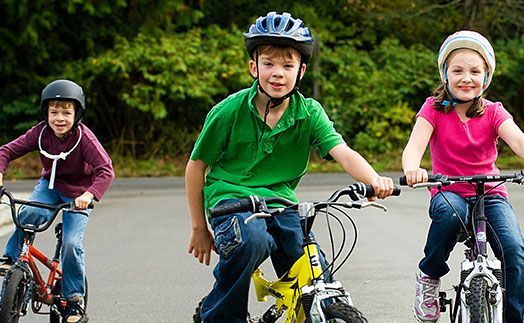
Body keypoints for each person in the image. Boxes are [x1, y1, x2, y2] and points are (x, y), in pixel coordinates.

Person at [186, 11, 395, 322]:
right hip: (231, 201)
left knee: (311, 265)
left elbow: (343, 152)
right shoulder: (228, 111)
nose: (277, 73)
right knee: (253, 240)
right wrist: (200, 229)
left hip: (282, 203)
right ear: (253, 67)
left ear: (301, 71)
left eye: (287, 65)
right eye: (268, 64)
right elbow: (196, 167)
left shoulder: (308, 112)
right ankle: (218, 314)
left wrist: (375, 179)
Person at [402, 30, 524, 322]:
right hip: (450, 191)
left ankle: (515, 316)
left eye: (474, 71)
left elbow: (519, 143)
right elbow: (413, 148)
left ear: (486, 78)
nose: (466, 78)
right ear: (445, 75)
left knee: (514, 250)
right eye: (457, 70)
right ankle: (429, 274)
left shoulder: (494, 112)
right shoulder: (433, 109)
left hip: (490, 194)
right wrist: (412, 169)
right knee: (448, 215)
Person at [0, 79, 115, 323]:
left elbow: (105, 170)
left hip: (79, 193)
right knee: (29, 213)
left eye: (66, 112)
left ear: (77, 114)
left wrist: (89, 194)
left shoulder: (85, 139)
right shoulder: (40, 133)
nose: (59, 118)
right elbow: (5, 151)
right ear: (46, 113)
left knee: (72, 243)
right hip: (50, 187)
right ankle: (11, 258)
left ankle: (74, 300)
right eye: (54, 112)